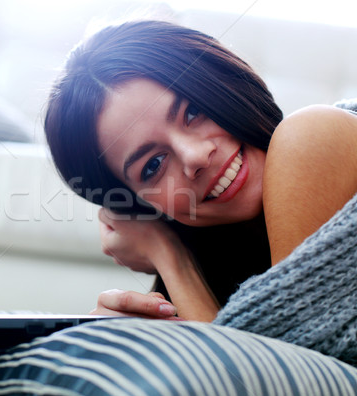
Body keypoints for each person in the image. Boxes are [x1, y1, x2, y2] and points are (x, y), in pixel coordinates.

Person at [44, 19, 357, 322]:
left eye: (193, 112)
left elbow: (273, 371)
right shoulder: (227, 276)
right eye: (153, 165)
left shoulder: (313, 134)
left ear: (227, 81)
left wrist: (168, 257)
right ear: (142, 206)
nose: (195, 155)